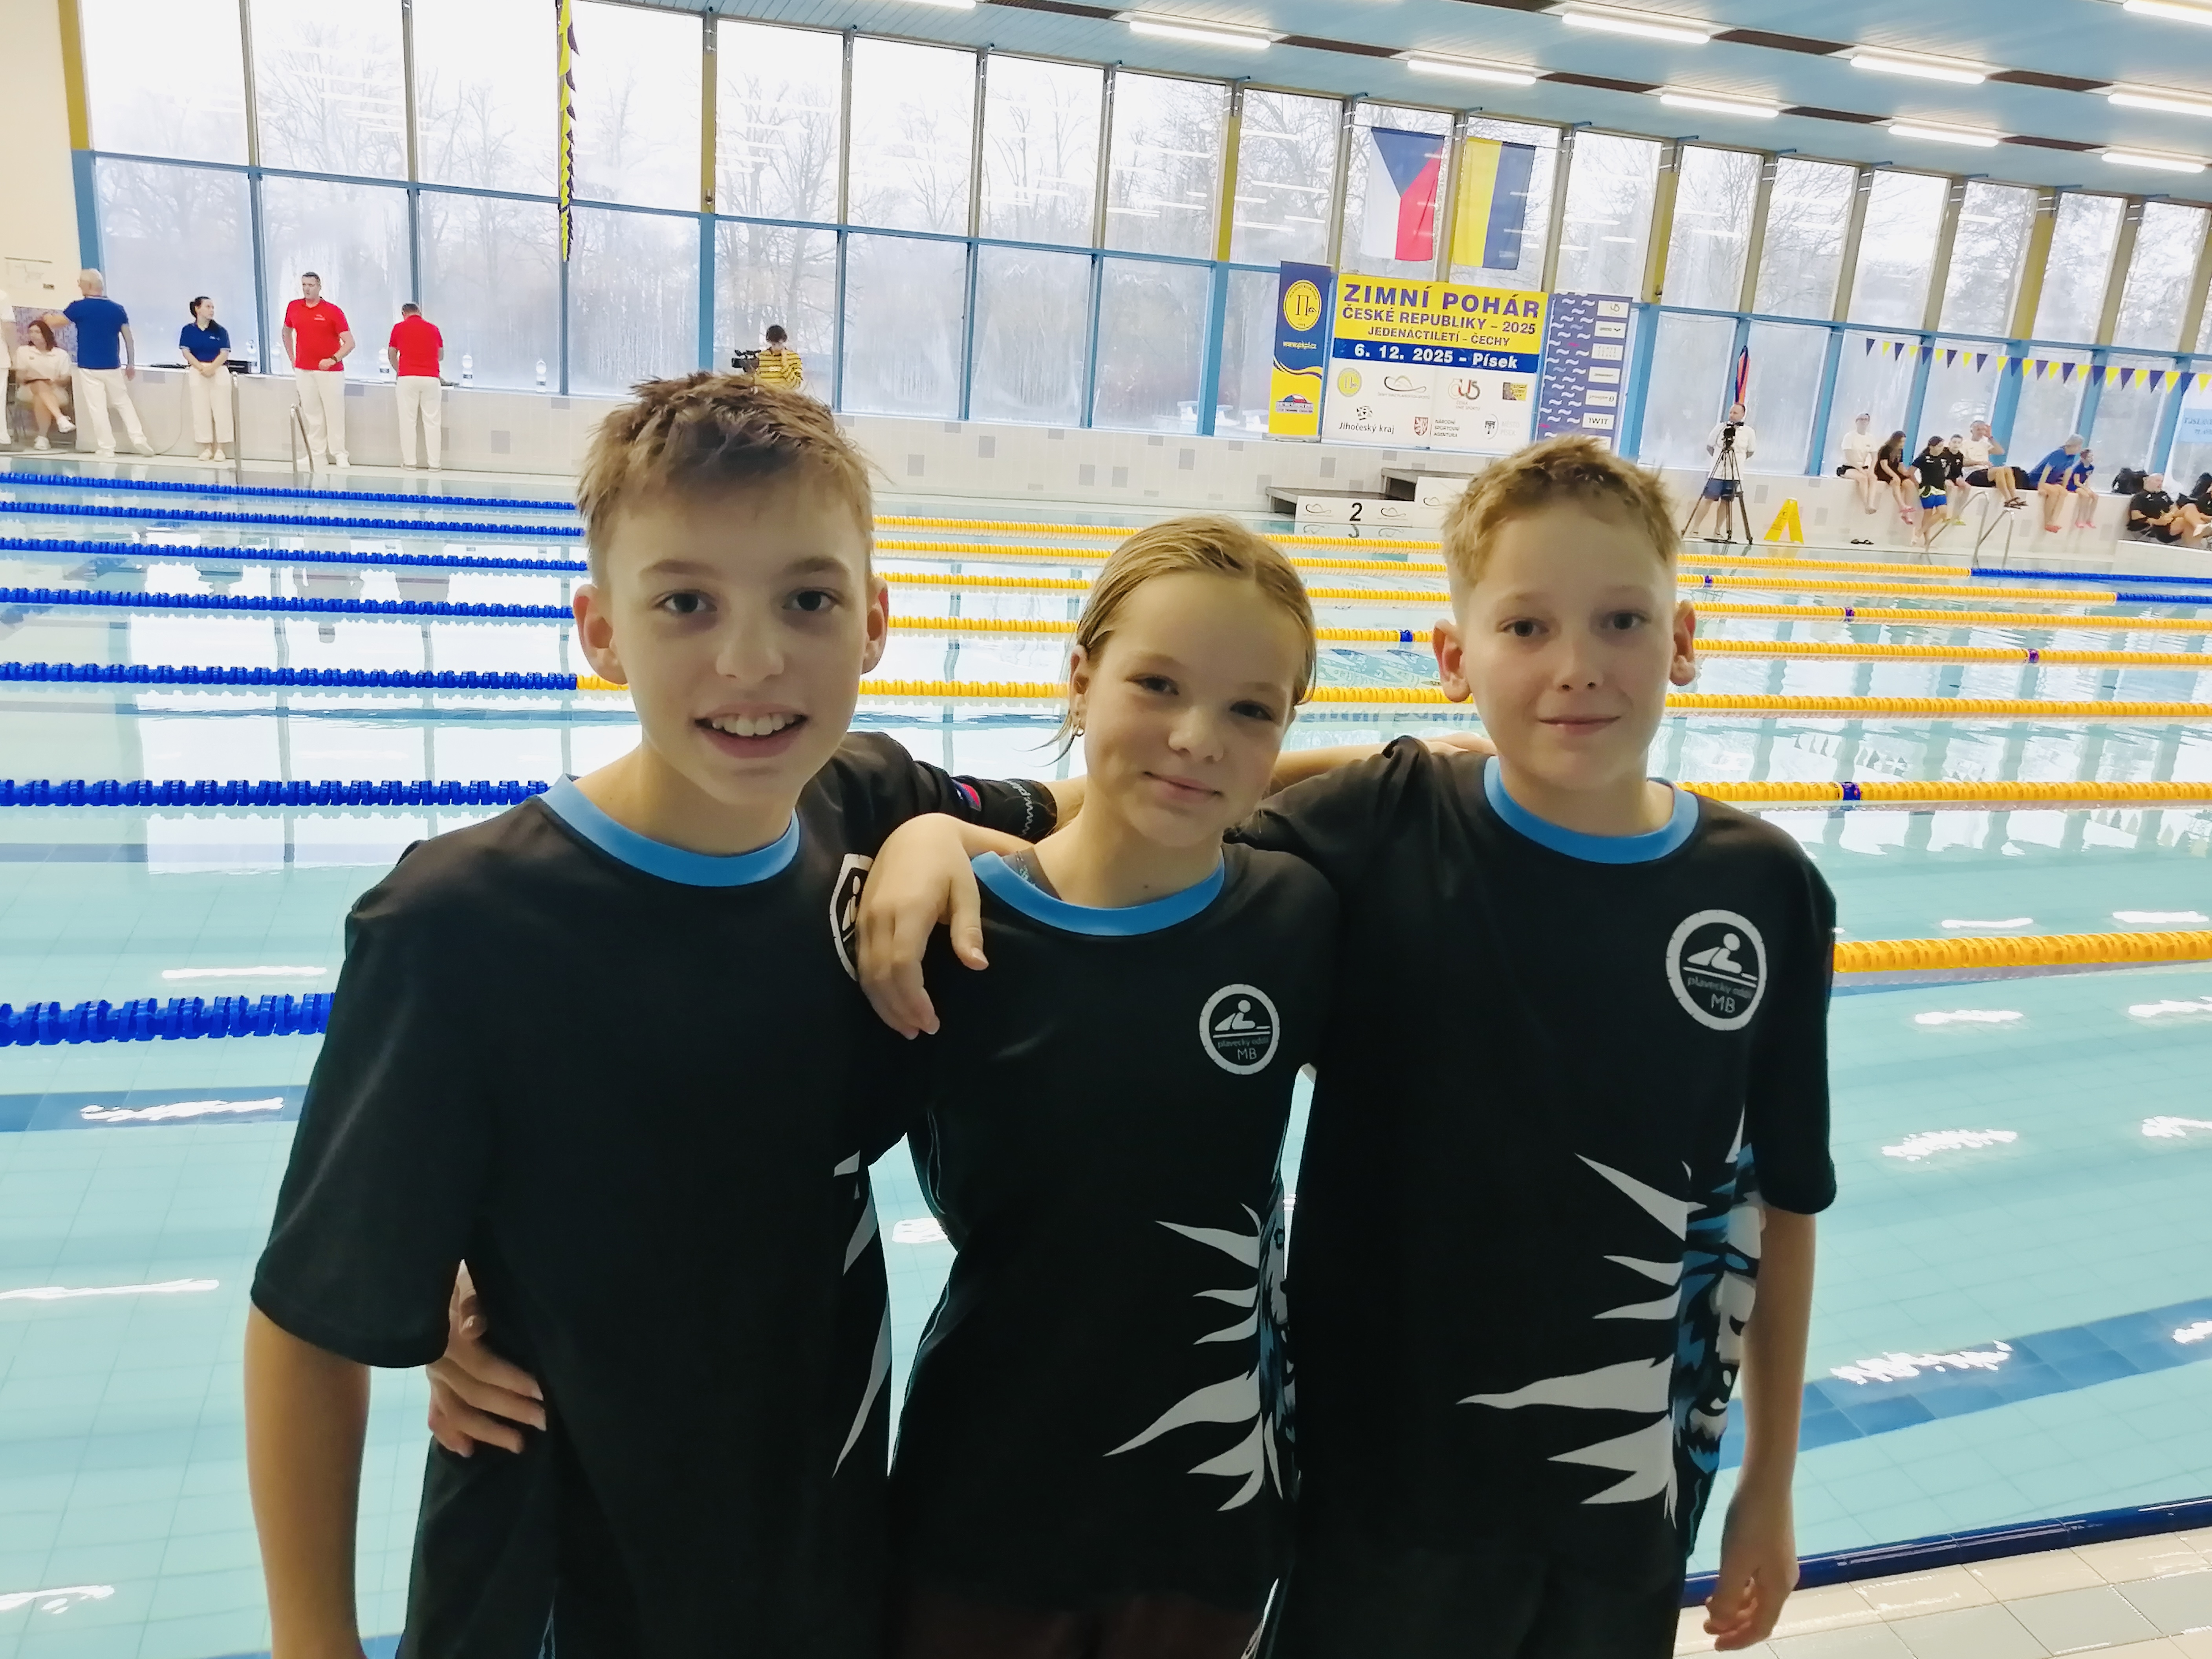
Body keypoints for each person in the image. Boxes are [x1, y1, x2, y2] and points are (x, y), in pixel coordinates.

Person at [862, 436, 1834, 1657]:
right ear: (1453, 657)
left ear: (1681, 638)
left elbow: (1783, 1203)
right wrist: (942, 831)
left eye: (1622, 621)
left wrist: (1767, 1485)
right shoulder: (1381, 826)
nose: (1577, 667)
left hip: (1620, 1496)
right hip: (1370, 1502)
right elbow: (1155, 820)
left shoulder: (1763, 889)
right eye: (1525, 627)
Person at [243, 374, 1075, 1659]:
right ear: (601, 631)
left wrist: (942, 833)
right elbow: (311, 1322)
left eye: (807, 600)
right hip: (561, 1597)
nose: (751, 662)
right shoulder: (463, 925)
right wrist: (315, 1644)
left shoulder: (864, 802)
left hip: (817, 1574)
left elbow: (1130, 815)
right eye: (686, 602)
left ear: (874, 622)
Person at [867, 519, 1340, 1658]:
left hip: (1217, 1497)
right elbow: (741, 1152)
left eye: (1250, 709)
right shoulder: (955, 930)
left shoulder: (1298, 918)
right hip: (989, 1489)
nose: (1196, 738)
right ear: (1080, 678)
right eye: (1157, 685)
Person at [64, 269, 152, 457]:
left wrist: (45, 318)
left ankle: (107, 447)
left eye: (80, 282)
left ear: (88, 285)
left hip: (88, 366)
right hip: (112, 365)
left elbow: (56, 322)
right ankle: (139, 439)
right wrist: (131, 363)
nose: (78, 284)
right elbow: (129, 339)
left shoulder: (78, 307)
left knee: (97, 407)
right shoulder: (117, 309)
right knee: (123, 403)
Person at [284, 271, 355, 468]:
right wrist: (292, 358)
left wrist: (333, 359)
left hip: (330, 372)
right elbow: (286, 332)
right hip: (304, 369)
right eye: (304, 285)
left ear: (319, 286)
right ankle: (316, 454)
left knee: (334, 412)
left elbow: (350, 343)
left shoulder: (333, 311)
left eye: (311, 285)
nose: (307, 289)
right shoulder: (294, 307)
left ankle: (339, 453)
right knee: (312, 413)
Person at [385, 301, 445, 469]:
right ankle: (435, 464)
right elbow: (441, 355)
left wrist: (399, 369)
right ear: (420, 312)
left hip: (407, 378)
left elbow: (391, 353)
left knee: (408, 421)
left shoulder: (399, 328)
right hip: (431, 378)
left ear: (404, 314)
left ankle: (410, 463)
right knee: (433, 422)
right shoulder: (433, 329)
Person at [1685, 401, 1756, 541]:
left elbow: (1751, 451)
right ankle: (1695, 529)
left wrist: (1738, 460)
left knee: (1726, 501)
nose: (1732, 415)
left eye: (1736, 413)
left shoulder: (1749, 432)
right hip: (1717, 472)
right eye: (1731, 412)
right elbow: (1710, 447)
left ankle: (1718, 531)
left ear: (1743, 415)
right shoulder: (1720, 428)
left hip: (1734, 474)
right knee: (1709, 499)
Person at [178, 295, 233, 462]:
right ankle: (206, 447)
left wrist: (212, 368)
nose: (212, 310)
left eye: (213, 307)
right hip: (198, 371)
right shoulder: (188, 331)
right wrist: (201, 368)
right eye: (208, 307)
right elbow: (186, 352)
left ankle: (221, 448)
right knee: (200, 410)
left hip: (218, 370)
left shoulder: (220, 331)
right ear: (197, 309)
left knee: (222, 410)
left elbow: (224, 353)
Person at [13, 319, 77, 451]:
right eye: (31, 332)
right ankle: (60, 419)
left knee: (41, 396)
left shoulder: (60, 354)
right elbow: (20, 376)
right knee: (39, 384)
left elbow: (65, 378)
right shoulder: (24, 351)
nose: (33, 335)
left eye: (37, 332)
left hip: (55, 389)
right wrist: (34, 377)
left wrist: (53, 382)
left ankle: (43, 438)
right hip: (28, 389)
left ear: (46, 334)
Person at [2126, 473, 2212, 546]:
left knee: (2190, 510)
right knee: (2187, 517)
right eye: (2158, 481)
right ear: (2148, 481)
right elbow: (2135, 516)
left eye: (2162, 481)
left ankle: (2197, 537)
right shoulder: (2140, 497)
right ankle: (2199, 530)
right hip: (2160, 526)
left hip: (2171, 518)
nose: (2161, 483)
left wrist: (2172, 513)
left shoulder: (2163, 494)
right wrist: (2157, 522)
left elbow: (2173, 506)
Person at [2026, 436, 2085, 533]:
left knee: (2063, 493)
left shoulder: (2072, 457)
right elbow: (2047, 470)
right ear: (2073, 445)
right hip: (2036, 480)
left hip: (2050, 482)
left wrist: (2064, 487)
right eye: (2079, 447)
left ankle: (2053, 521)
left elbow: (2067, 472)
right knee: (2054, 492)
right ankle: (2048, 523)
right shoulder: (2059, 453)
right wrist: (2041, 487)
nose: (2079, 449)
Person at [1960, 419, 2023, 509]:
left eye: (1983, 430)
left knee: (2007, 470)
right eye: (1978, 430)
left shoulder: (1984, 444)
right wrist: (1979, 462)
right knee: (1999, 470)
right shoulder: (1965, 444)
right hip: (1972, 473)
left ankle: (2015, 497)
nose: (1981, 432)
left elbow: (2000, 452)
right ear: (1972, 430)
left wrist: (1990, 437)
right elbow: (1962, 462)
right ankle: (2008, 498)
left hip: (1985, 471)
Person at [1837, 413, 1878, 533]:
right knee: (1863, 478)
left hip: (1863, 467)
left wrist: (1871, 470)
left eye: (1866, 420)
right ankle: (1866, 505)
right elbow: (1849, 457)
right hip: (1848, 467)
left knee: (1873, 478)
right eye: (1861, 419)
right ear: (1857, 421)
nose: (1863, 422)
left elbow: (1875, 457)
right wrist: (1860, 470)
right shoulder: (1850, 437)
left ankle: (1871, 503)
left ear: (1869, 422)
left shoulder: (1870, 438)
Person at [1912, 437, 1951, 548]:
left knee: (1943, 512)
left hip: (1940, 488)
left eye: (1942, 446)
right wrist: (1917, 484)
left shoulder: (1945, 457)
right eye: (1939, 446)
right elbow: (1911, 472)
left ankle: (1919, 532)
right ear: (1931, 447)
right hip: (1927, 488)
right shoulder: (1923, 458)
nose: (1942, 449)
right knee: (1928, 513)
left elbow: (1946, 471)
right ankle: (1927, 541)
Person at [1873, 428, 1915, 523]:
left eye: (1904, 442)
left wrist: (1906, 474)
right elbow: (1884, 465)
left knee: (1910, 485)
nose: (1903, 444)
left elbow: (1900, 466)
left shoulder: (1900, 451)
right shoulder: (1886, 449)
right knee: (1896, 481)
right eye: (1902, 442)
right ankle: (1902, 505)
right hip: (1883, 472)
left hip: (1895, 471)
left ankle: (1906, 513)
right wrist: (1895, 476)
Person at [755, 323, 804, 392]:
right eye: (774, 344)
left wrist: (785, 364)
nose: (777, 348)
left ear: (784, 341)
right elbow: (757, 382)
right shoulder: (762, 357)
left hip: (786, 398)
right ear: (769, 342)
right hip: (766, 397)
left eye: (780, 344)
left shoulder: (794, 357)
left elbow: (796, 385)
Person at [2068, 447, 2098, 529]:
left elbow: (2087, 479)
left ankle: (2090, 519)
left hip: (2081, 485)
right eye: (2089, 457)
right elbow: (2076, 482)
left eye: (2092, 456)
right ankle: (2080, 519)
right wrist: (2086, 489)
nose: (2092, 458)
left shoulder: (2091, 468)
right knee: (2085, 496)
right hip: (2073, 485)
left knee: (2095, 497)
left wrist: (2088, 488)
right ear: (2084, 458)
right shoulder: (2078, 467)